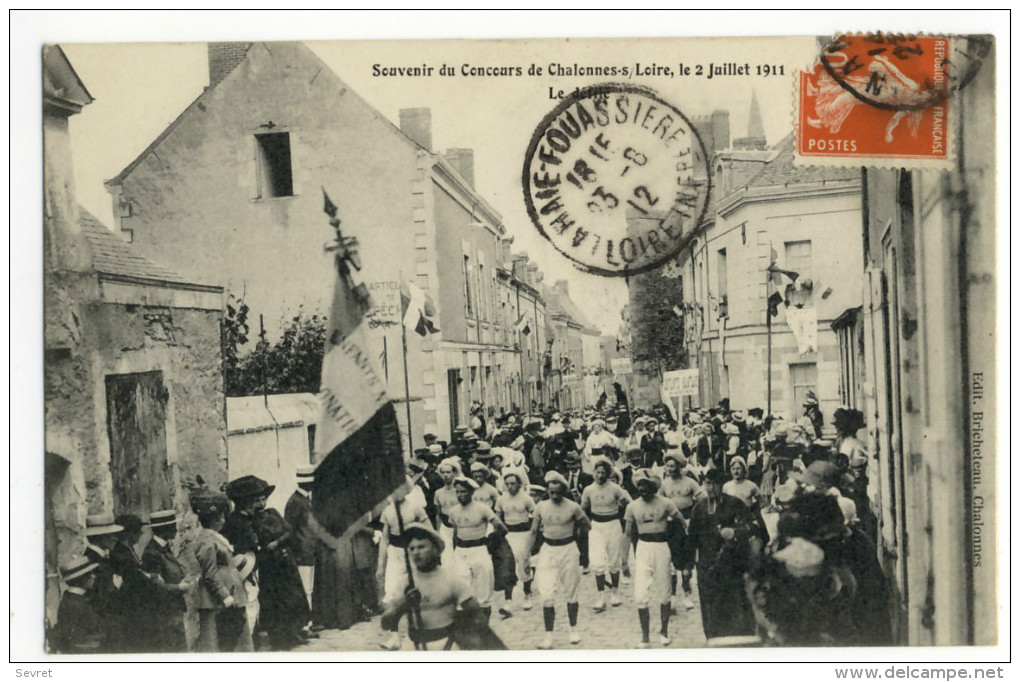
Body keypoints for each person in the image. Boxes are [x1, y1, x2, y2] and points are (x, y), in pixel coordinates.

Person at [381, 523, 500, 650]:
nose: (416, 552)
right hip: (414, 645)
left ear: (435, 550)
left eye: (421, 547)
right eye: (412, 548)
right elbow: (385, 623)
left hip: (446, 644)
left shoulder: (453, 580)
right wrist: (404, 604)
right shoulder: (405, 582)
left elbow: (477, 618)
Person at [687, 469, 767, 641]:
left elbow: (754, 526)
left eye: (715, 484)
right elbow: (691, 538)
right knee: (710, 607)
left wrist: (735, 532)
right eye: (708, 483)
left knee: (734, 605)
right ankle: (712, 639)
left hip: (733, 565)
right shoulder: (699, 508)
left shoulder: (736, 504)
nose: (711, 488)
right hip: (707, 566)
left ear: (722, 485)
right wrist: (688, 566)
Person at [528, 470, 592, 649]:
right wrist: (527, 555)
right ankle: (548, 635)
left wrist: (574, 535)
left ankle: (573, 629)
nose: (554, 495)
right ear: (547, 491)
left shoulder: (572, 506)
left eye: (557, 492)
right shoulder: (540, 507)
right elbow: (533, 531)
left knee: (571, 590)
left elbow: (587, 525)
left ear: (563, 490)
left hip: (568, 549)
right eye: (551, 492)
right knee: (547, 593)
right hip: (548, 550)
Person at [624, 469, 683, 648]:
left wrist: (682, 551)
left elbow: (681, 522)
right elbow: (627, 535)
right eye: (640, 486)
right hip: (642, 549)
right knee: (640, 594)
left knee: (664, 591)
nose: (643, 489)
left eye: (646, 486)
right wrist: (623, 560)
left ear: (654, 487)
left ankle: (664, 632)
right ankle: (645, 636)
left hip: (662, 548)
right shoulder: (632, 506)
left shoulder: (666, 503)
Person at [191, 490, 252, 652]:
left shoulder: (215, 538)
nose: (224, 520)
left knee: (234, 639)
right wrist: (226, 596)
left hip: (228, 596)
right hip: (216, 601)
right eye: (222, 517)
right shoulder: (208, 542)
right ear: (214, 520)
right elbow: (210, 575)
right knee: (216, 641)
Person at [253, 489, 312, 649]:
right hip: (269, 565)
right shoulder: (252, 521)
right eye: (257, 500)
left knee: (292, 596)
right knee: (274, 600)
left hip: (285, 561)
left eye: (263, 499)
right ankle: (278, 639)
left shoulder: (272, 513)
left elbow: (289, 531)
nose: (261, 503)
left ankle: (294, 632)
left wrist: (277, 542)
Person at [376, 482, 430, 650]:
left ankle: (413, 635)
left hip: (414, 553)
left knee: (416, 594)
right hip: (395, 555)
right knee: (393, 596)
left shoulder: (415, 508)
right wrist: (380, 564)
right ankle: (394, 637)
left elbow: (429, 530)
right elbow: (384, 539)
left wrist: (428, 554)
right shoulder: (388, 511)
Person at [447, 475, 508, 623]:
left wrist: (491, 542)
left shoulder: (482, 509)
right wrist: (455, 552)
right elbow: (455, 533)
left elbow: (502, 528)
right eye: (458, 492)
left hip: (480, 550)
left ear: (471, 492)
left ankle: (484, 630)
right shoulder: (453, 511)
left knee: (483, 592)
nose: (460, 495)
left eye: (463, 491)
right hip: (461, 553)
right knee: (462, 590)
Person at [580, 455, 631, 612]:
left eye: (603, 472)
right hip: (596, 527)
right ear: (593, 472)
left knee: (614, 561)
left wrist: (623, 506)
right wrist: (586, 526)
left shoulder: (616, 489)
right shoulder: (588, 490)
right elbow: (582, 510)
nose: (600, 475)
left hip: (613, 525)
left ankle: (615, 592)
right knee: (597, 562)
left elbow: (630, 503)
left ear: (608, 473)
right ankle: (601, 595)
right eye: (597, 472)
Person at [140, 509, 194, 652]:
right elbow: (156, 585)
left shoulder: (163, 548)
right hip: (164, 611)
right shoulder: (152, 553)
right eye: (173, 526)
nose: (176, 530)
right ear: (164, 529)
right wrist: (180, 587)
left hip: (173, 607)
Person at [660, 453, 705, 611]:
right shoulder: (664, 484)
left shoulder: (690, 482)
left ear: (680, 466)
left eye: (673, 466)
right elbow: (658, 503)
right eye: (668, 466)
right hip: (671, 525)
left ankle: (687, 593)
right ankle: (672, 596)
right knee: (672, 560)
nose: (670, 469)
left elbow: (702, 499)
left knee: (687, 558)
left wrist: (696, 517)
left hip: (687, 522)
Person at [496, 467, 536, 612]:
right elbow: (497, 519)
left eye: (513, 483)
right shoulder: (501, 499)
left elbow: (535, 517)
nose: (510, 486)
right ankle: (508, 600)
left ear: (519, 483)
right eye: (508, 484)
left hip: (523, 534)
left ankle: (527, 594)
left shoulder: (526, 498)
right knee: (507, 565)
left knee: (523, 564)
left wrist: (532, 535)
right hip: (509, 535)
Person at [82, 513, 124, 653]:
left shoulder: (103, 558)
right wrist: (115, 588)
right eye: (109, 534)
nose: (114, 538)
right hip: (104, 627)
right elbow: (97, 599)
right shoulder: (91, 561)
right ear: (98, 538)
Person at [52, 555, 106, 653]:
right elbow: (73, 639)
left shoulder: (71, 597)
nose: (93, 576)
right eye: (90, 574)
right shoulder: (75, 603)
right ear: (82, 579)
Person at [285, 465, 318, 613]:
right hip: (301, 553)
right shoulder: (296, 502)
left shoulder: (302, 500)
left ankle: (308, 622)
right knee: (305, 589)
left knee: (308, 589)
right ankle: (305, 624)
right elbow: (289, 529)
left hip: (308, 552)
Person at [433, 457, 463, 568]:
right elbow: (438, 514)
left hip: (460, 527)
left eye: (448, 472)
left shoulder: (460, 491)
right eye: (443, 472)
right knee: (446, 560)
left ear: (454, 473)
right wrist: (437, 533)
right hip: (445, 528)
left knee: (460, 560)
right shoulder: (438, 493)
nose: (446, 475)